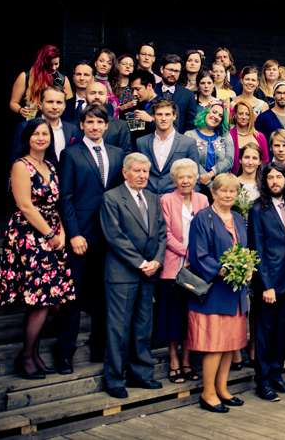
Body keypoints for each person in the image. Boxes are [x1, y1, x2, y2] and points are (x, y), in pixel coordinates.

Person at [0, 119, 75, 379]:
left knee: (45, 298)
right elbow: (26, 206)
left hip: (51, 232)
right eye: (35, 134)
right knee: (39, 299)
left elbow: (55, 204)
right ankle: (26, 357)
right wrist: (50, 233)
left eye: (45, 133)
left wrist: (62, 232)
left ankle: (34, 354)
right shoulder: (21, 165)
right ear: (27, 138)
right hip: (29, 235)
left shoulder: (51, 165)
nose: (41, 138)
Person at [55, 104, 124, 374]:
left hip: (109, 237)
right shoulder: (71, 154)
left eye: (99, 122)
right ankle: (65, 353)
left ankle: (99, 347)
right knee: (73, 296)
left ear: (107, 126)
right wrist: (73, 233)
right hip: (81, 236)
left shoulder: (117, 154)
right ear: (82, 125)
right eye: (90, 122)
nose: (95, 127)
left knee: (103, 296)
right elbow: (66, 197)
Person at [99, 152, 166, 399]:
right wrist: (141, 263)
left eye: (145, 171)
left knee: (143, 326)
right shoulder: (112, 197)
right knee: (119, 328)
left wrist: (157, 261)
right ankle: (115, 379)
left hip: (149, 273)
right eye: (137, 171)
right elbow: (114, 236)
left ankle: (141, 374)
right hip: (123, 273)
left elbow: (162, 233)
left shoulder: (153, 198)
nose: (142, 175)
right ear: (125, 173)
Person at [186, 173, 249, 412]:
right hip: (214, 291)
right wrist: (222, 270)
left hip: (235, 291)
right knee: (215, 345)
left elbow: (244, 249)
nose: (228, 195)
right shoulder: (202, 219)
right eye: (223, 190)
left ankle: (222, 388)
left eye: (232, 191)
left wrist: (246, 267)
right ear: (213, 192)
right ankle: (208, 393)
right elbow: (198, 255)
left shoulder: (238, 218)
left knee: (230, 343)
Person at [248, 163, 285, 401]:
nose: (274, 181)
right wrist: (266, 285)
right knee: (265, 333)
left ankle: (277, 375)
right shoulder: (257, 209)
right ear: (265, 182)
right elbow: (257, 249)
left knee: (283, 331)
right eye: (270, 177)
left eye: (278, 177)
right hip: (269, 283)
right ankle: (262, 381)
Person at [157, 159, 209, 384]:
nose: (186, 181)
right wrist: (187, 253)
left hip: (196, 269)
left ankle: (187, 360)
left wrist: (197, 256)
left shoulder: (203, 199)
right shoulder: (166, 200)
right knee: (173, 317)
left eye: (189, 176)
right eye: (181, 177)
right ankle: (173, 360)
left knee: (190, 318)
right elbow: (165, 233)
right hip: (173, 267)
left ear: (196, 179)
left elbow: (207, 229)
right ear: (175, 180)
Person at [136, 98, 198, 195]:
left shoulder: (188, 143)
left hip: (177, 197)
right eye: (159, 114)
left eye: (167, 114)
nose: (163, 118)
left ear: (174, 116)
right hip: (148, 196)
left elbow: (195, 176)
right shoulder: (141, 142)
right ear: (153, 116)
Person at [10, 86, 80, 165]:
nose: (54, 107)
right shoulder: (24, 127)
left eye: (59, 102)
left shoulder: (72, 129)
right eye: (50, 102)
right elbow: (15, 160)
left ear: (64, 106)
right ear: (40, 104)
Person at [10, 44, 71, 118]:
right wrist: (20, 110)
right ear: (42, 62)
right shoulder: (25, 77)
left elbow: (70, 105)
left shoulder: (63, 79)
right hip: (32, 120)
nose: (54, 68)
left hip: (54, 120)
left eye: (56, 64)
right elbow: (13, 103)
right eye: (50, 65)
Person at [185, 101, 234, 189]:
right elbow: (192, 161)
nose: (216, 116)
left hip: (220, 186)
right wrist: (209, 184)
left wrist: (211, 174)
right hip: (195, 186)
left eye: (220, 116)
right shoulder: (190, 135)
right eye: (214, 112)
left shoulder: (225, 136)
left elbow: (229, 160)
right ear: (206, 112)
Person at [84, 81, 132, 153]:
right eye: (92, 93)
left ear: (107, 97)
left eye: (101, 93)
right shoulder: (75, 124)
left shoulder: (121, 126)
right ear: (85, 96)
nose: (97, 97)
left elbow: (126, 154)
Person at [156, 55, 199, 134]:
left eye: (176, 71)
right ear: (162, 69)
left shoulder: (188, 95)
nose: (173, 74)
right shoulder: (151, 90)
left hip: (179, 139)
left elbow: (192, 123)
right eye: (170, 70)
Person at [229, 98, 270, 174]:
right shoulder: (229, 135)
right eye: (240, 113)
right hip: (233, 178)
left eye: (247, 114)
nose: (244, 117)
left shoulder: (260, 137)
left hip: (257, 178)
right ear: (235, 115)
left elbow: (265, 161)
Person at [112, 54, 139, 124]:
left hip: (133, 124)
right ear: (118, 65)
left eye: (131, 65)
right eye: (124, 64)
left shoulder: (137, 86)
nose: (128, 66)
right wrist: (125, 106)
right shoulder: (110, 86)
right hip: (115, 123)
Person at [236, 142, 263, 209]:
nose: (250, 162)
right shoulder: (233, 184)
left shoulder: (265, 185)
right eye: (247, 157)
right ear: (240, 160)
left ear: (260, 162)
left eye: (254, 158)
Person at [92, 48, 119, 113]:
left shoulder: (113, 84)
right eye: (101, 61)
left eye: (109, 63)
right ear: (95, 63)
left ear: (111, 67)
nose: (104, 65)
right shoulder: (89, 81)